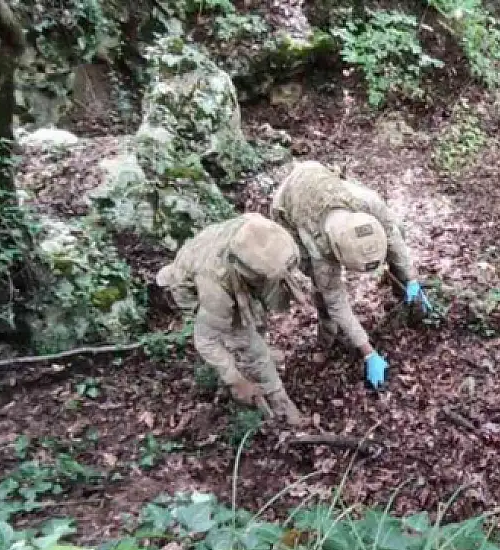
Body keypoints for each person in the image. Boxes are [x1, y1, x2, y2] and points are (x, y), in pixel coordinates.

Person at [270, 160, 431, 389]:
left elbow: (393, 235)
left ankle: (404, 293)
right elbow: (336, 300)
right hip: (288, 207)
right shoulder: (319, 247)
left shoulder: (366, 202)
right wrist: (368, 353)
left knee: (399, 229)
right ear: (336, 255)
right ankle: (328, 334)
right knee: (320, 286)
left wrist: (412, 279)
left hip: (321, 177)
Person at [155, 212, 310, 425]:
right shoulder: (216, 289)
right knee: (245, 342)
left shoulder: (258, 232)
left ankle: (255, 362)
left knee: (256, 322)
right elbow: (206, 341)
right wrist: (235, 380)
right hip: (193, 283)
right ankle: (278, 399)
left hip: (211, 261)